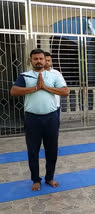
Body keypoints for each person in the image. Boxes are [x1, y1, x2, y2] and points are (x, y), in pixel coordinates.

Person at [10, 49, 69, 191]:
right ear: (31, 60)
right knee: (32, 151)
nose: (38, 61)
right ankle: (35, 179)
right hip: (32, 119)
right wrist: (35, 88)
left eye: (41, 58)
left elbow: (65, 91)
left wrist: (46, 87)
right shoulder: (25, 75)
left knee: (52, 150)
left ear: (45, 60)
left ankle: (49, 178)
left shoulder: (53, 75)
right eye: (35, 58)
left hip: (51, 118)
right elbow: (14, 91)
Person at [44, 52, 67, 121]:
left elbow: (64, 89)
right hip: (41, 107)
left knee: (54, 128)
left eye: (49, 60)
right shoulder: (36, 73)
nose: (47, 62)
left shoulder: (56, 73)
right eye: (45, 60)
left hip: (54, 105)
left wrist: (46, 88)